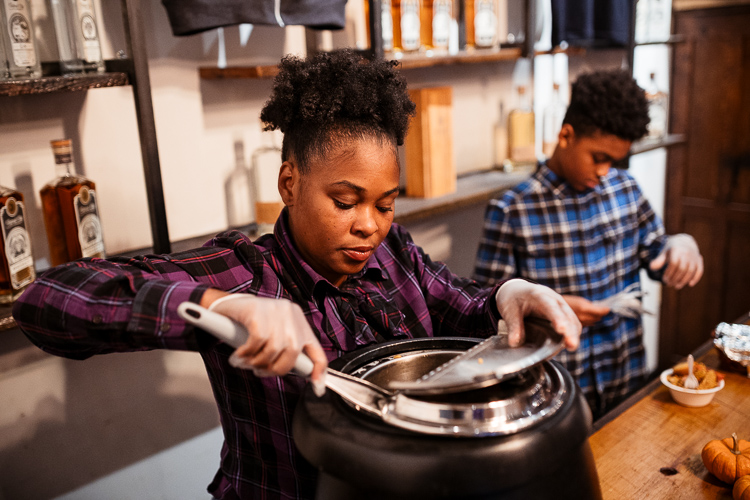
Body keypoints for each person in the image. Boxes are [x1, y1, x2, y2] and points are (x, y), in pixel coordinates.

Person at [13, 49, 581, 500]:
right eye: (345, 201)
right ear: (289, 184)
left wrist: (512, 293)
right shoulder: (244, 272)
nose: (369, 227)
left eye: (385, 204)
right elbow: (46, 299)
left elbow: (461, 303)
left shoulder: (393, 251)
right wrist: (216, 307)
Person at [473, 69, 704, 419]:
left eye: (615, 161)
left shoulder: (625, 189)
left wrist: (680, 245)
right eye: (598, 157)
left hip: (626, 373)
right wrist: (550, 309)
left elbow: (656, 252)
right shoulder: (513, 210)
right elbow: (487, 312)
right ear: (566, 135)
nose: (605, 171)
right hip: (556, 389)